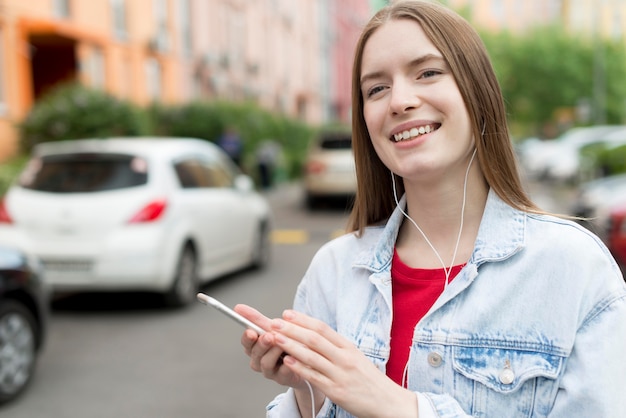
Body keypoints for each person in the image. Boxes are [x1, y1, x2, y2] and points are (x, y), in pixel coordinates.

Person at [234, 1, 626, 417]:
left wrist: (402, 408)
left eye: (428, 73)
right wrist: (307, 393)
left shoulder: (574, 268)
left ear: (478, 92)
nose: (399, 101)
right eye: (376, 89)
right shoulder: (334, 271)